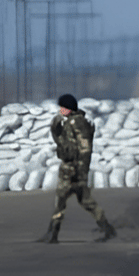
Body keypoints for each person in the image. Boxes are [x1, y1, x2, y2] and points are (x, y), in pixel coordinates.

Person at [38, 94, 116, 243]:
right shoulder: (68, 122)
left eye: (63, 107)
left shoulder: (78, 123)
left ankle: (53, 233)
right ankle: (52, 233)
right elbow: (62, 143)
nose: (60, 109)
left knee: (67, 199)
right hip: (69, 168)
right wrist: (55, 129)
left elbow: (85, 149)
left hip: (74, 170)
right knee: (81, 201)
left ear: (69, 108)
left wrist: (80, 171)